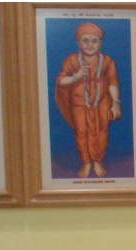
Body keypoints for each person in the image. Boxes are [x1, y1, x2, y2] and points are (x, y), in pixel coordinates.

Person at [54, 22, 121, 179]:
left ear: (100, 43)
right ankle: (86, 162)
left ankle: (97, 161)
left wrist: (116, 102)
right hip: (79, 104)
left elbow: (112, 83)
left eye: (94, 41)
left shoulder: (107, 61)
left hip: (102, 103)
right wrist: (76, 77)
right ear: (79, 43)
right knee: (81, 133)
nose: (90, 44)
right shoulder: (71, 60)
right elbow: (61, 81)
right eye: (85, 40)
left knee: (101, 132)